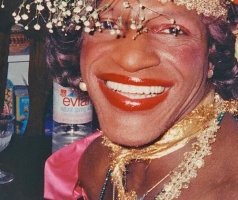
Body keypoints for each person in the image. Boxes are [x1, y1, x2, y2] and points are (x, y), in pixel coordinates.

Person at [14, 0, 238, 199]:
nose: (131, 59)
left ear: (213, 53)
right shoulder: (93, 165)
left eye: (172, 30)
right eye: (107, 25)